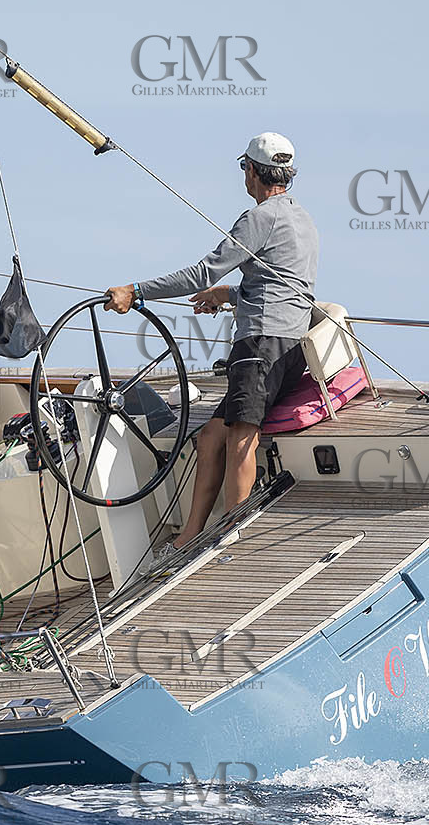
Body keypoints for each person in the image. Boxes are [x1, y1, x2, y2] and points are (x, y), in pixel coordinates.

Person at [104, 131, 319, 562]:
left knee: (241, 439)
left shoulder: (258, 217)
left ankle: (231, 537)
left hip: (259, 347)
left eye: (244, 167)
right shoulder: (304, 220)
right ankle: (190, 535)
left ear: (252, 171)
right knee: (210, 437)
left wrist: (136, 291)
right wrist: (228, 296)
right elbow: (286, 290)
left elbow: (203, 272)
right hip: (289, 349)